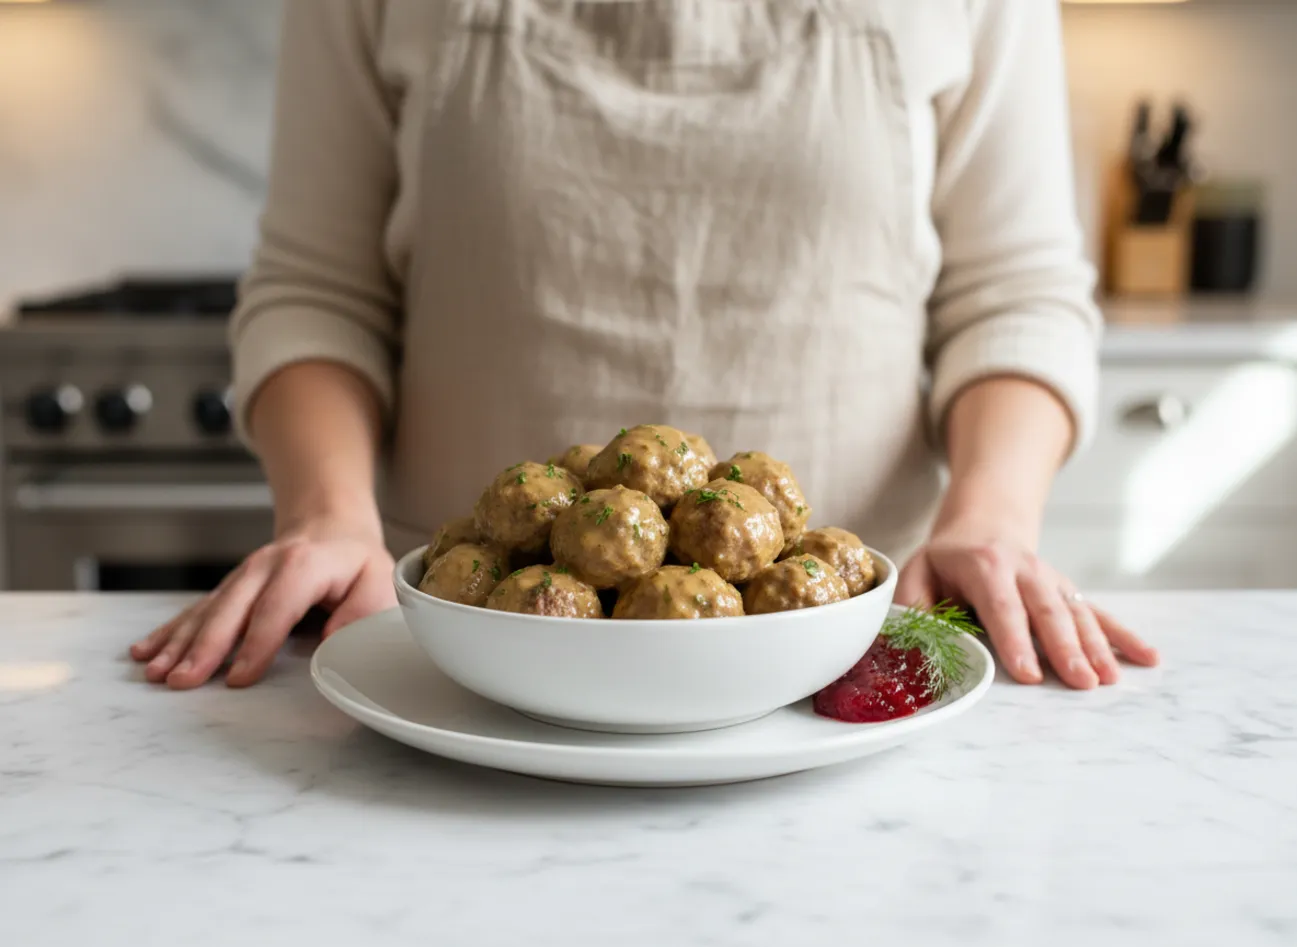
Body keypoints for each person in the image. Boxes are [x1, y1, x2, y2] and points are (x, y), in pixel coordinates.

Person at [132, 0, 1158, 691]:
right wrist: (327, 514)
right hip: (467, 655)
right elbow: (319, 287)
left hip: (834, 652)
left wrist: (990, 516)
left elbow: (1014, 291)